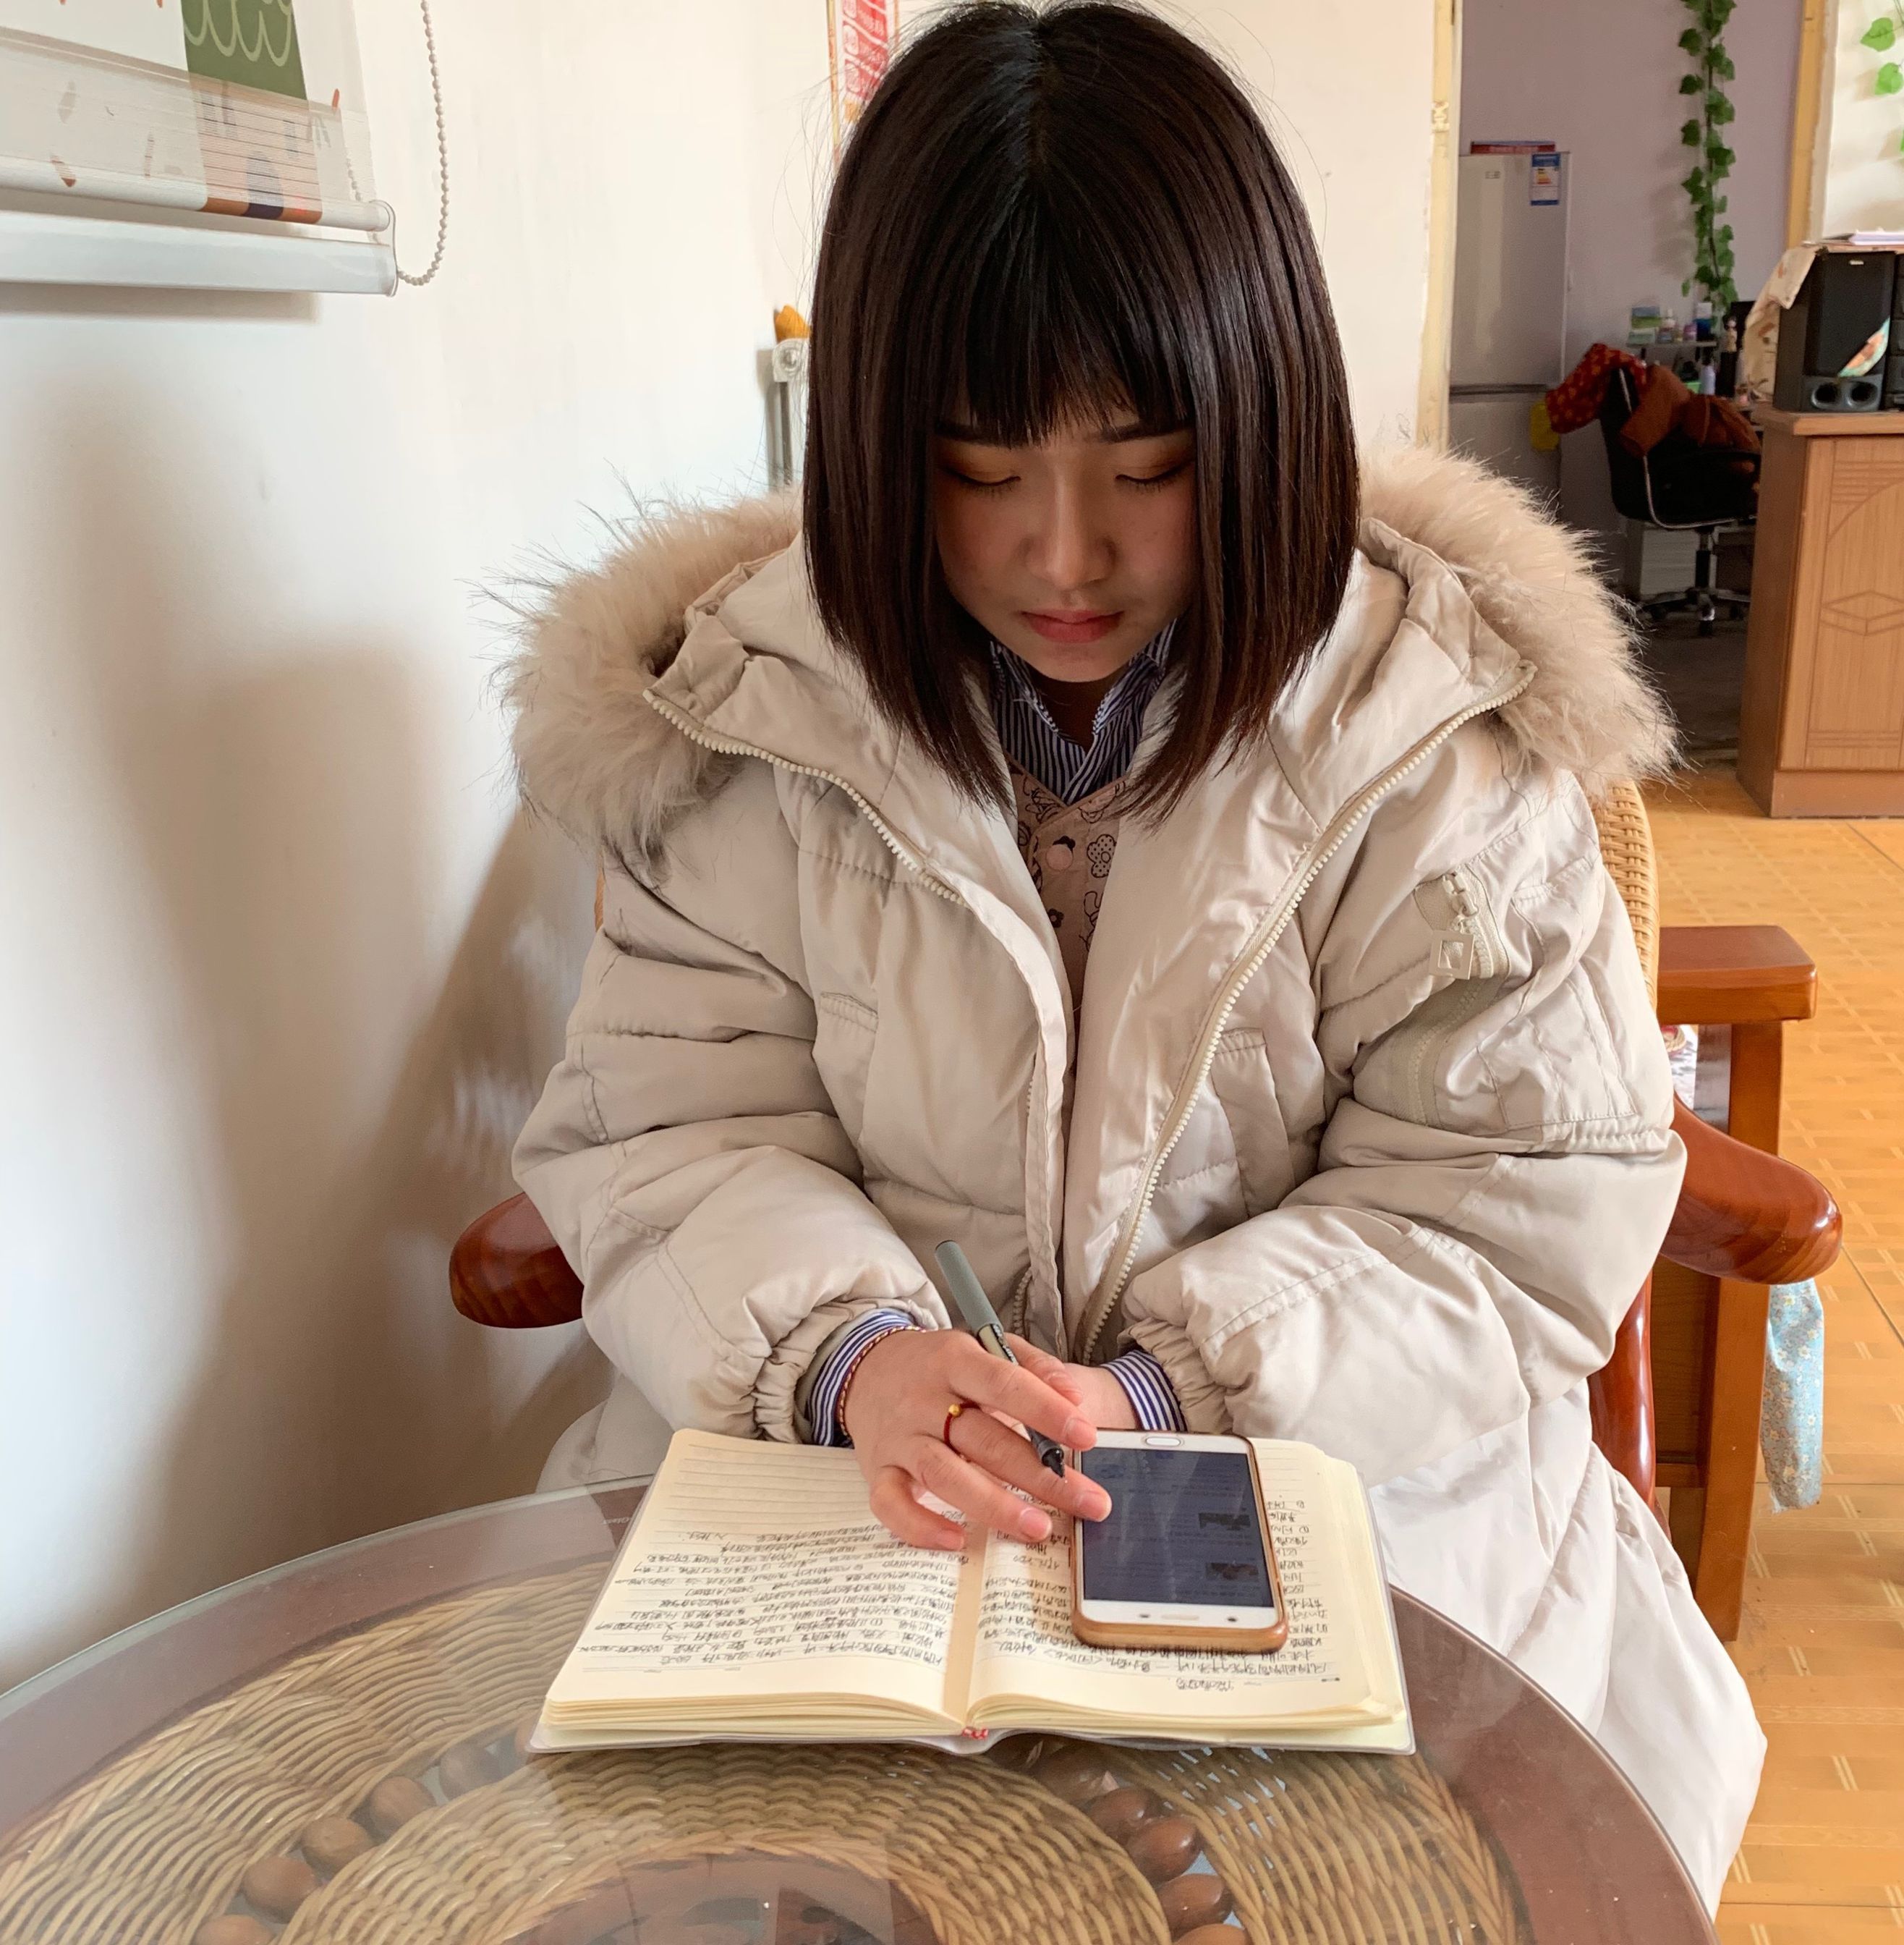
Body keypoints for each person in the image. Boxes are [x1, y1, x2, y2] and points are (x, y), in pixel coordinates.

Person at [505, 0, 1761, 1905]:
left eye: (1149, 464)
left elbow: (1517, 1195)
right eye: (979, 468)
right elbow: (668, 1136)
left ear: (1262, 418)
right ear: (872, 444)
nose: (1065, 555)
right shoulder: (748, 714)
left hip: (1352, 1509)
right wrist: (855, 1357)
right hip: (849, 1527)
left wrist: (1176, 1392)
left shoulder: (1435, 730)